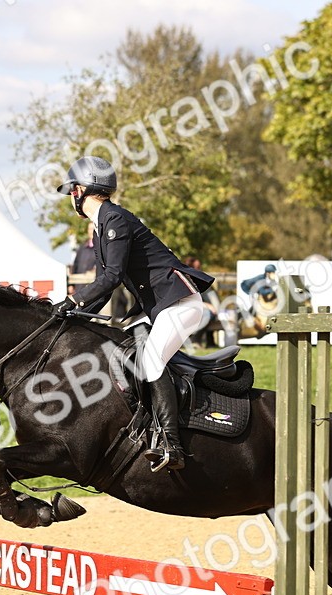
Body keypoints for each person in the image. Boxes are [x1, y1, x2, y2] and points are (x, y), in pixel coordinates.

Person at [52, 155, 214, 472]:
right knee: (123, 353)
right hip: (161, 307)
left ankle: (171, 443)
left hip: (179, 303)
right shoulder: (103, 226)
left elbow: (112, 277)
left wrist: (73, 302)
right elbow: (105, 284)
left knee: (151, 360)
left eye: (72, 190)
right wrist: (74, 316)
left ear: (81, 190)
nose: (72, 197)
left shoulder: (112, 219)